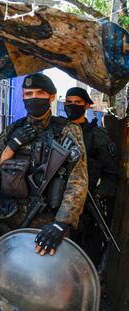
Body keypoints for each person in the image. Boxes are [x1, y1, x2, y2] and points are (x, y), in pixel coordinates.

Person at [0, 73, 88, 256]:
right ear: (22, 96)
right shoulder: (13, 130)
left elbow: (77, 180)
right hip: (9, 218)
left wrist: (61, 223)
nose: (33, 98)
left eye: (39, 93)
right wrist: (12, 146)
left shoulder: (66, 130)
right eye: (28, 94)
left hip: (47, 222)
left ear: (52, 96)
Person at [64, 87, 118, 268]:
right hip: (55, 204)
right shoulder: (58, 130)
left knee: (82, 261)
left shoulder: (97, 136)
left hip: (86, 210)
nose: (72, 106)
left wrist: (96, 196)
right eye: (69, 102)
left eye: (77, 102)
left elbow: (111, 176)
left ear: (87, 105)